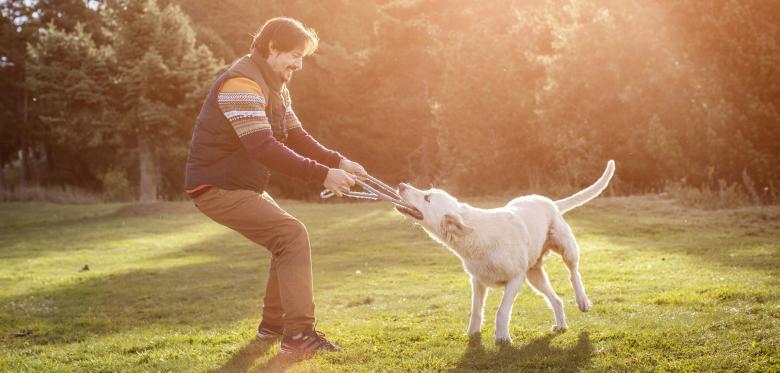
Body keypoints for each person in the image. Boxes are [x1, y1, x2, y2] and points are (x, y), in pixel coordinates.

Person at [184, 17, 366, 354]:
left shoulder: (275, 87)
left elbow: (297, 136)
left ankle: (272, 328)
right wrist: (323, 174)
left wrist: (338, 162)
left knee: (285, 240)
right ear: (271, 48)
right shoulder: (241, 85)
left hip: (239, 186)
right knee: (291, 235)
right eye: (294, 55)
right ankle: (298, 336)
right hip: (216, 187)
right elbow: (263, 147)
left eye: (302, 58)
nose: (298, 64)